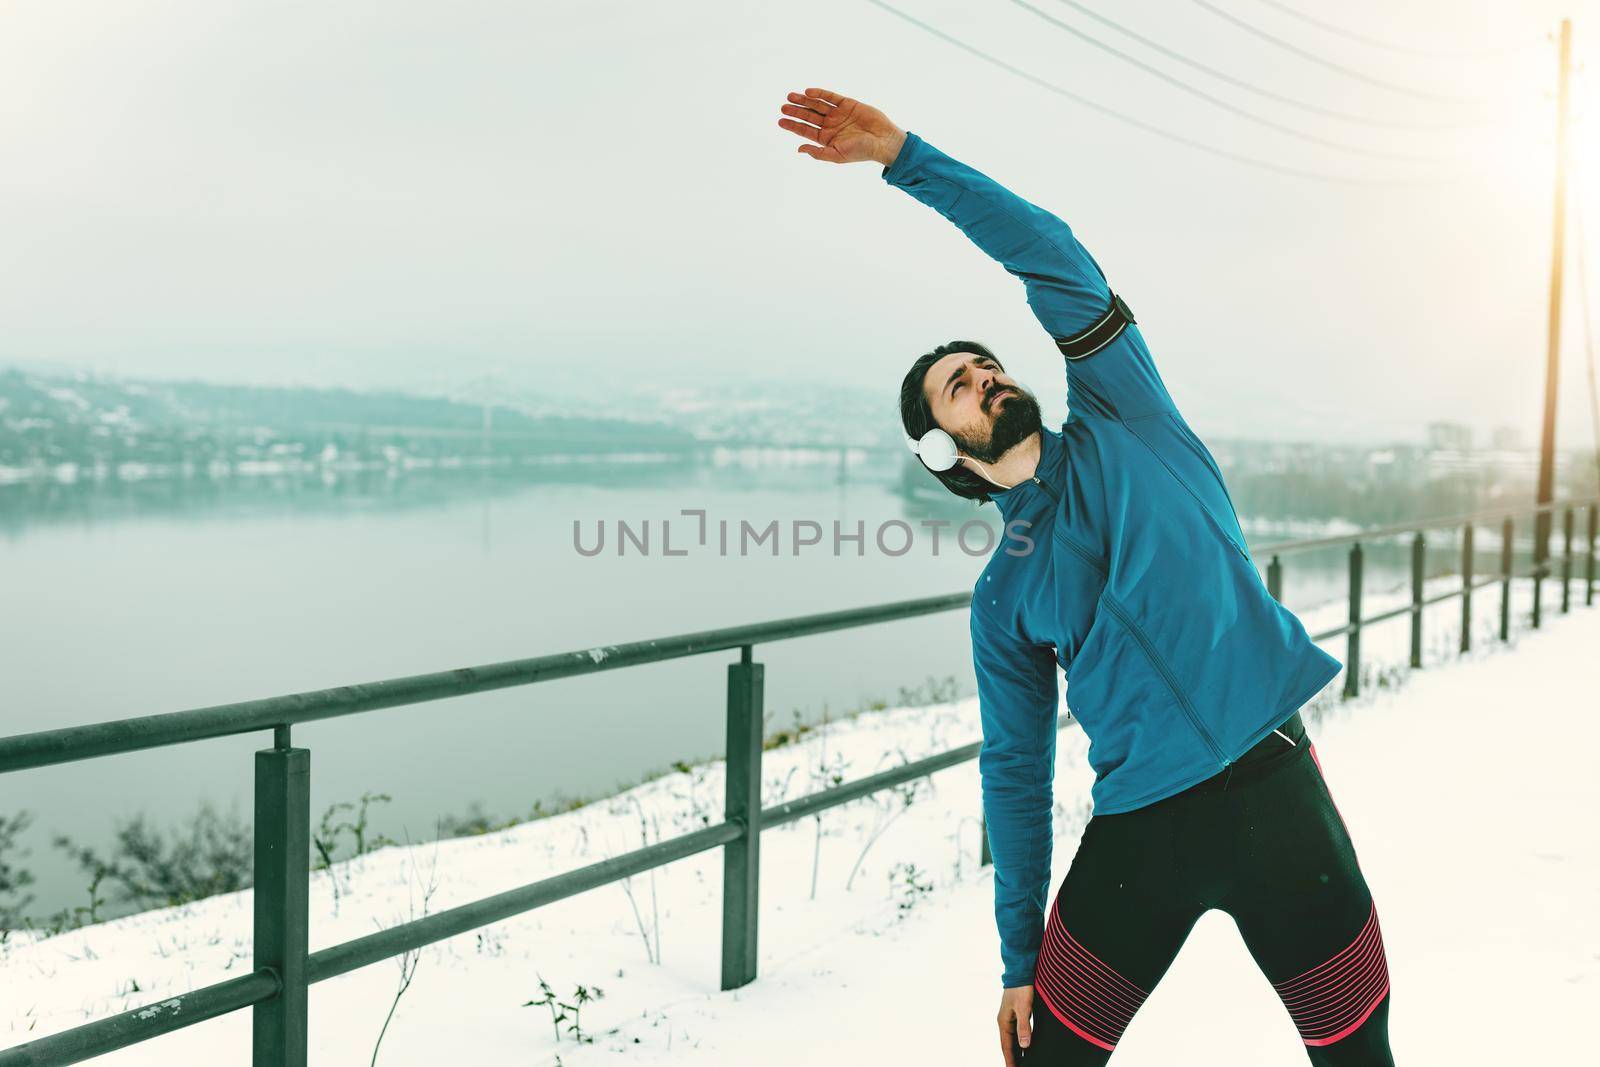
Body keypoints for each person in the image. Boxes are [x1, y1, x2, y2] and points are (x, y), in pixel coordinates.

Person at [777, 88, 1395, 1066]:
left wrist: (905, 156)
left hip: (1276, 790)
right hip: (1140, 833)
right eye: (960, 385)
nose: (988, 376)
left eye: (986, 364)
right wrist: (1017, 955)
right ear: (947, 452)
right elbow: (1015, 771)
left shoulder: (1126, 413)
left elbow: (1048, 249)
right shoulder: (1004, 595)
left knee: (1359, 1055)